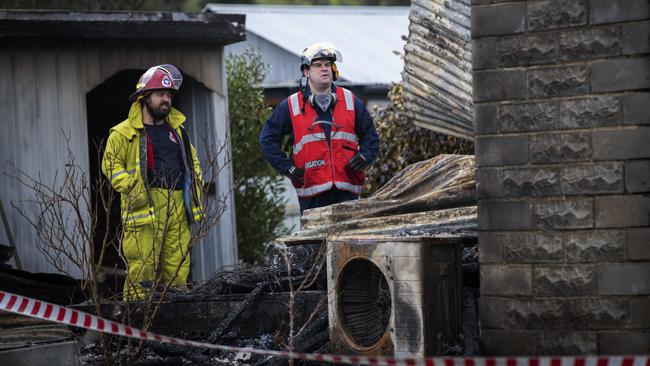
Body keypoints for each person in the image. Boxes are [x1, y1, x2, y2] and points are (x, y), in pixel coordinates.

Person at [101, 64, 204, 299]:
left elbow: (193, 162)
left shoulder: (177, 131)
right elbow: (111, 166)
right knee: (143, 271)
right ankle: (137, 327)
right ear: (143, 98)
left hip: (178, 206)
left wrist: (194, 187)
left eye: (168, 95)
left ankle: (173, 324)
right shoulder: (123, 133)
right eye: (160, 94)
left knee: (177, 269)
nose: (166, 100)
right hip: (144, 209)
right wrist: (132, 186)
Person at [260, 42, 380, 213]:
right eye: (318, 65)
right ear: (306, 71)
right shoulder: (291, 105)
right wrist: (288, 168)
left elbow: (371, 137)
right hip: (312, 197)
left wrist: (364, 156)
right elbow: (267, 140)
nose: (325, 69)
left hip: (346, 194)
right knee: (315, 240)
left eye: (328, 64)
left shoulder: (350, 100)